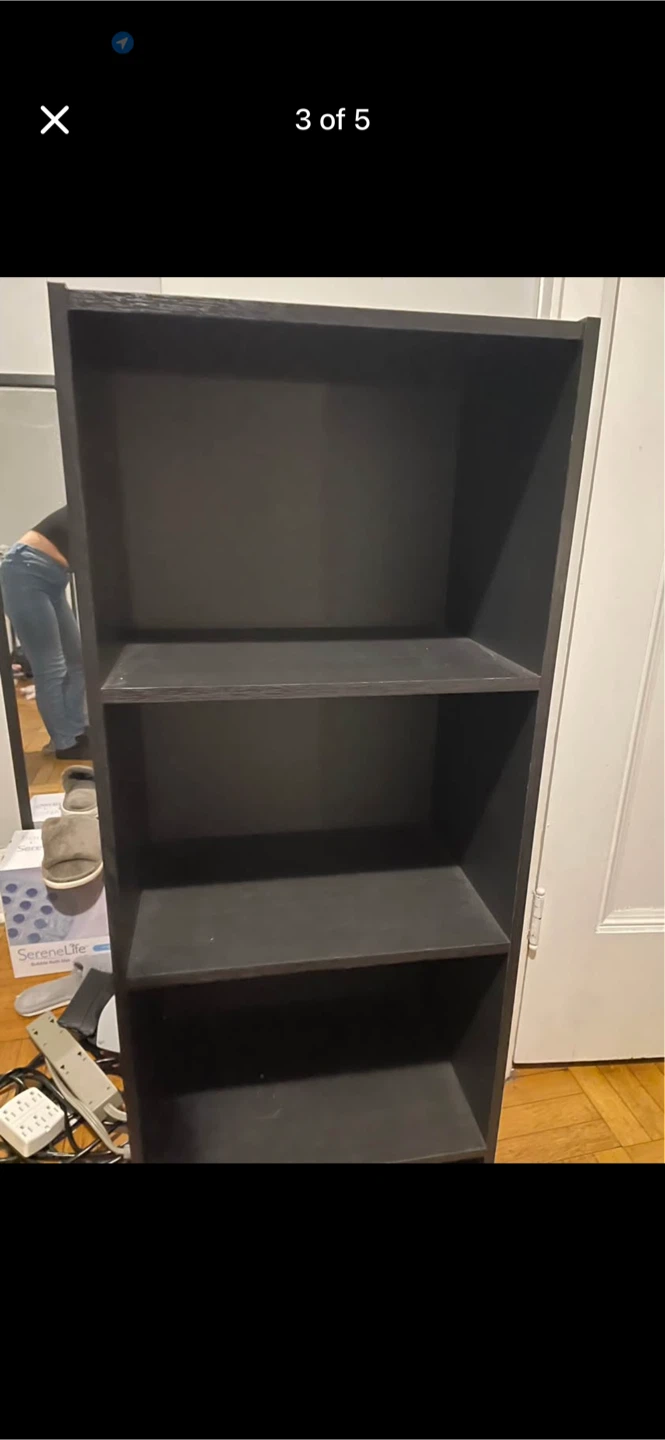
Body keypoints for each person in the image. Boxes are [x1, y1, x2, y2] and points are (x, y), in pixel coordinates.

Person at [0, 506, 90, 760]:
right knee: (50, 665)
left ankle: (76, 731)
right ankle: (65, 743)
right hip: (25, 570)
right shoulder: (93, 498)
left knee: (79, 660)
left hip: (53, 577)